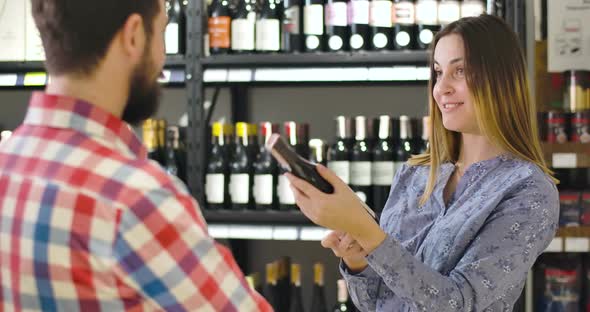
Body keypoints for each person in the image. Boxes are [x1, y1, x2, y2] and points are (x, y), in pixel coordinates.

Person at [0, 0, 271, 311]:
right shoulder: (135, 197)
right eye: (162, 30)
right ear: (133, 35)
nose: (162, 57)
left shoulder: (7, 162)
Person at [287, 14, 559, 311]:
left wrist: (367, 231)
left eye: (460, 71)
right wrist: (357, 260)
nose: (441, 89)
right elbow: (375, 303)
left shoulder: (529, 192)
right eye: (438, 72)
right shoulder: (415, 174)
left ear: (500, 79)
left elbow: (458, 302)